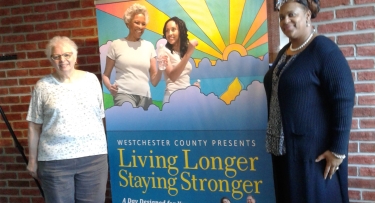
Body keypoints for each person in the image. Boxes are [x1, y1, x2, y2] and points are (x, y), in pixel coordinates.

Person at [263, 1, 354, 203]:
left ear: (307, 15)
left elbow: (344, 98)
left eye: (291, 15)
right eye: (281, 17)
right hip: (283, 149)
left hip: (312, 154)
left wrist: (338, 150)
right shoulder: (284, 52)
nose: (285, 21)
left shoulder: (323, 49)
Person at [26, 36, 108, 203]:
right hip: (55, 163)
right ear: (50, 60)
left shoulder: (92, 80)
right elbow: (34, 127)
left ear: (75, 56)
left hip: (93, 159)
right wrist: (32, 161)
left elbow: (101, 118)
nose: (62, 60)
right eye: (56, 56)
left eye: (67, 55)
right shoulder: (42, 86)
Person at [103, 3, 161, 110]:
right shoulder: (116, 44)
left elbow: (154, 81)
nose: (140, 27)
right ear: (128, 23)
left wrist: (161, 69)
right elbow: (105, 75)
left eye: (143, 24)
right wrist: (110, 87)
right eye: (137, 22)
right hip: (123, 94)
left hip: (145, 97)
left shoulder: (149, 46)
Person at [160, 16, 199, 103]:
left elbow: (182, 79)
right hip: (172, 97)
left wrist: (192, 88)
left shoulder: (182, 54)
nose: (170, 33)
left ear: (180, 31)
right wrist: (188, 53)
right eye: (167, 30)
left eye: (173, 29)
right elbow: (172, 76)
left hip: (187, 98)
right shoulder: (163, 51)